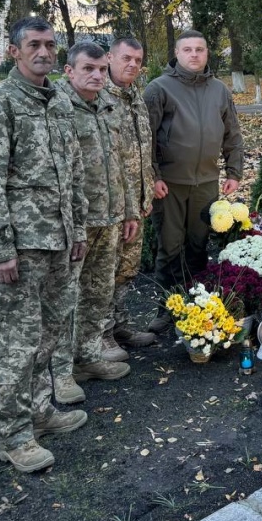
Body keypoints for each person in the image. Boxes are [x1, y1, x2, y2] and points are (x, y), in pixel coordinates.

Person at [0, 16, 88, 473]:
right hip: (22, 246)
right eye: (34, 44)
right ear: (14, 51)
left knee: (50, 334)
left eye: (50, 45)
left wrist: (78, 230)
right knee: (18, 343)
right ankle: (12, 434)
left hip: (60, 239)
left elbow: (73, 172)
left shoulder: (58, 99)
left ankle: (40, 410)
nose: (44, 52)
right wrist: (0, 249)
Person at [51, 42, 137, 403]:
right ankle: (60, 373)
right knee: (65, 298)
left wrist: (130, 210)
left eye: (102, 69)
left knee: (98, 293)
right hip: (75, 222)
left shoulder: (109, 105)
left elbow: (122, 162)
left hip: (111, 216)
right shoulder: (56, 107)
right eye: (89, 68)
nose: (98, 75)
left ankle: (87, 357)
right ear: (69, 70)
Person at [144, 30, 244, 323]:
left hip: (206, 183)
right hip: (170, 184)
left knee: (198, 246)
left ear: (207, 53)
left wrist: (234, 171)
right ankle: (167, 308)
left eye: (199, 49)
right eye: (187, 49)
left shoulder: (219, 90)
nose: (194, 54)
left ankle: (196, 306)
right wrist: (154, 176)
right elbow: (145, 138)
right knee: (170, 247)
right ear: (176, 53)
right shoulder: (158, 89)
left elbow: (232, 133)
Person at [103, 38, 157, 352]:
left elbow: (142, 148)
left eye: (138, 60)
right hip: (111, 205)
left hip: (137, 202)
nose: (133, 64)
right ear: (110, 57)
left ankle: (119, 325)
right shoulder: (98, 96)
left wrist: (146, 192)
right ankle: (101, 336)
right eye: (126, 58)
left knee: (126, 269)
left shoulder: (135, 95)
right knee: (104, 273)